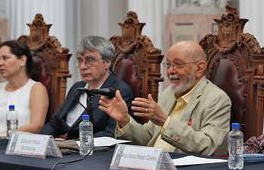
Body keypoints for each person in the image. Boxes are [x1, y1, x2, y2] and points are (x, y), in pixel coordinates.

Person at [99, 41, 231, 155]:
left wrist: (164, 121)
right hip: (153, 164)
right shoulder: (168, 94)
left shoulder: (217, 99)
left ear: (200, 68)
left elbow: (210, 146)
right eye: (168, 65)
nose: (170, 71)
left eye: (178, 65)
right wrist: (125, 120)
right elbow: (148, 138)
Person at [42, 36, 134, 139]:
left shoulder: (119, 92)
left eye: (89, 60)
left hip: (93, 152)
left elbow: (111, 134)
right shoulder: (77, 87)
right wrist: (40, 142)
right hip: (66, 149)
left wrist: (69, 144)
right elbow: (55, 123)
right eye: (80, 60)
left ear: (107, 62)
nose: (83, 66)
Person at [0, 40, 48, 134]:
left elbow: (36, 126)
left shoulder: (36, 88)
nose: (0, 63)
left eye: (5, 58)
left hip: (18, 144)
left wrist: (4, 135)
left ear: (22, 60)